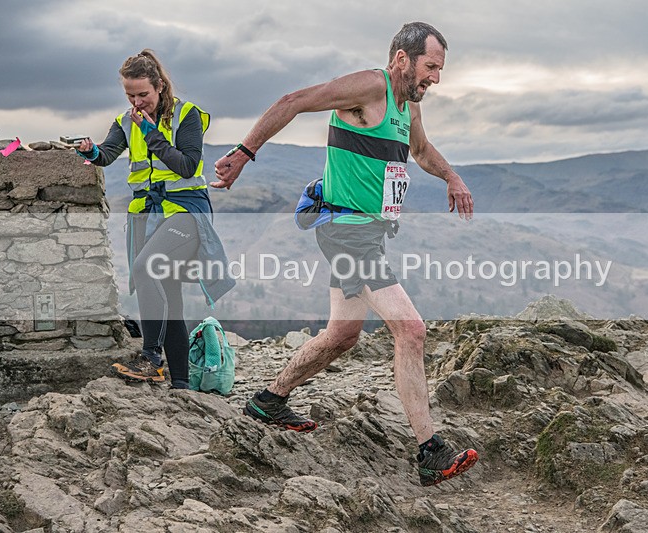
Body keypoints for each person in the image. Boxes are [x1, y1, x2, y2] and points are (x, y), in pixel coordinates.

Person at [213, 22, 477, 487]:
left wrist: (452, 177)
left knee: (341, 335)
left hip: (368, 234)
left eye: (439, 69)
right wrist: (243, 152)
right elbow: (294, 101)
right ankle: (430, 451)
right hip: (345, 231)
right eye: (431, 67)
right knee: (411, 330)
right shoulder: (370, 86)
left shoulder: (407, 105)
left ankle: (269, 401)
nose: (436, 78)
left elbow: (420, 150)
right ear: (402, 58)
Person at [77, 49, 234, 388]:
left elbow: (187, 166)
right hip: (148, 215)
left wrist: (152, 134)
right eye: (130, 95)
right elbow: (107, 154)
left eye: (143, 94)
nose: (137, 102)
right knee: (169, 293)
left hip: (185, 212)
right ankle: (180, 385)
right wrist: (91, 151)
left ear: (160, 86)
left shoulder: (187, 115)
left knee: (146, 268)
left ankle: (150, 356)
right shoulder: (125, 120)